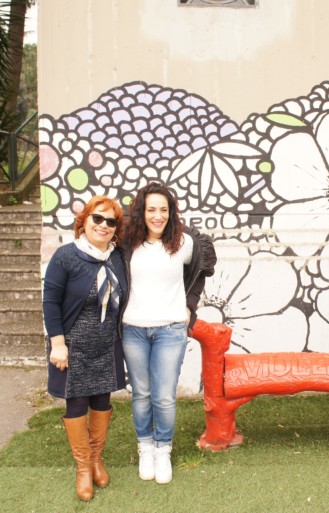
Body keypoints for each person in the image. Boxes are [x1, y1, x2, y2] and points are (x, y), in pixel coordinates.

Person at [120, 182, 216, 485]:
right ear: (141, 212)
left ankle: (163, 449)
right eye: (151, 210)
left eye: (164, 210)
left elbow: (202, 269)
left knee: (163, 397)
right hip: (133, 329)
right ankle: (145, 447)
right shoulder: (128, 243)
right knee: (142, 394)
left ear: (171, 212)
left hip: (171, 330)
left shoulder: (183, 243)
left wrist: (190, 305)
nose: (158, 216)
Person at [42, 195, 128, 501]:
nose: (103, 225)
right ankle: (82, 468)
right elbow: (50, 301)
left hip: (106, 346)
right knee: (77, 404)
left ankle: (96, 460)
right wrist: (57, 344)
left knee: (102, 402)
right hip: (74, 347)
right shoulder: (67, 256)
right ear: (84, 221)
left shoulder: (117, 257)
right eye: (97, 218)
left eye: (111, 221)